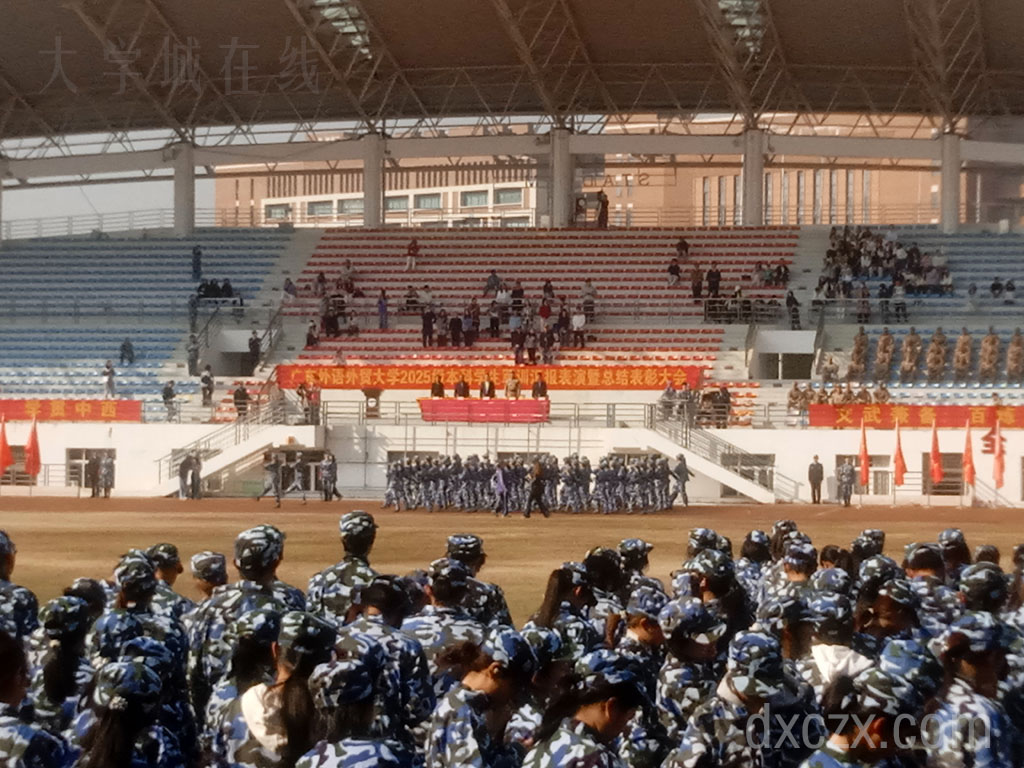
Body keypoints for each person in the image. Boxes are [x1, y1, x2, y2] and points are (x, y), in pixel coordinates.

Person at [522, 651, 645, 767]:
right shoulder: (596, 760)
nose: (626, 727)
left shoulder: (544, 743)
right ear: (611, 707)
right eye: (629, 716)